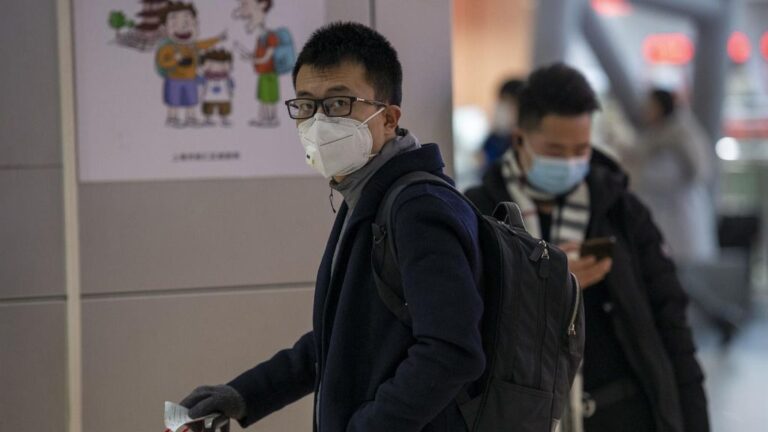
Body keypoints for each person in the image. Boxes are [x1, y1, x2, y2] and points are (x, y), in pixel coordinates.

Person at [179, 22, 485, 432]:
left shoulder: (418, 208)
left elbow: (451, 351)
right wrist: (244, 395)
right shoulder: (369, 196)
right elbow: (343, 339)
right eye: (306, 105)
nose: (319, 122)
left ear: (389, 118)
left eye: (339, 103)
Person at [465, 63, 709, 432]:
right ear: (519, 140)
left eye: (580, 150)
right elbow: (463, 319)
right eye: (554, 150)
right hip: (520, 413)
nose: (569, 162)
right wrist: (545, 285)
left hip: (622, 410)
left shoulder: (619, 209)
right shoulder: (480, 212)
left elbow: (670, 321)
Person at [623, 88, 718, 263]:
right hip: (664, 223)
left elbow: (660, 178)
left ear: (661, 107)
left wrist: (632, 172)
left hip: (681, 223)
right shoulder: (654, 136)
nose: (646, 111)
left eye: (650, 106)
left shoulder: (679, 139)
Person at [155, 2, 225, 127]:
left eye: (187, 23)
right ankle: (172, 118)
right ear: (164, 28)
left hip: (190, 79)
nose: (182, 28)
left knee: (191, 101)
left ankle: (191, 118)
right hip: (173, 80)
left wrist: (218, 39)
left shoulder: (192, 46)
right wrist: (174, 60)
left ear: (196, 24)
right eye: (175, 24)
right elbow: (162, 63)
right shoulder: (168, 48)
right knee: (173, 101)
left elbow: (205, 44)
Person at [480, 78, 525, 167]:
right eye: (501, 102)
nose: (502, 109)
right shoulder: (494, 140)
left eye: (509, 102)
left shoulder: (526, 143)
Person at [199, 49, 235, 126]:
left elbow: (231, 84)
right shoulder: (206, 77)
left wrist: (231, 90)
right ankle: (208, 119)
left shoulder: (226, 77)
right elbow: (199, 81)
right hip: (208, 95)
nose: (217, 66)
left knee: (224, 107)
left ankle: (224, 118)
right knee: (208, 107)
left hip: (224, 95)